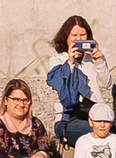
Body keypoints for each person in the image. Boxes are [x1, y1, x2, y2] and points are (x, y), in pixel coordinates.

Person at [46, 16, 111, 146]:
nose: (79, 39)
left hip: (95, 114)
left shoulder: (91, 58)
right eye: (74, 35)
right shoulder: (57, 59)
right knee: (97, 131)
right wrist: (70, 62)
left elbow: (106, 83)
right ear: (66, 37)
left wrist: (99, 61)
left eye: (83, 35)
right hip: (67, 119)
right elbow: (60, 85)